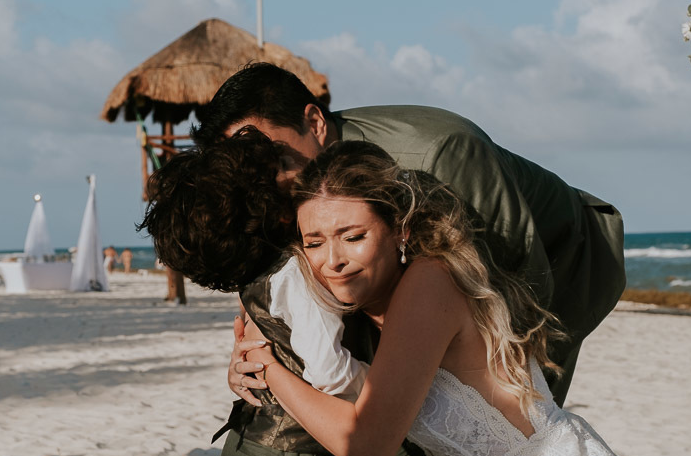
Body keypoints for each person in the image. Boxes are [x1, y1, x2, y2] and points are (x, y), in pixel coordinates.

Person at [247, 140, 674, 456]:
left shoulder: (429, 283)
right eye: (314, 243)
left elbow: (367, 449)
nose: (332, 261)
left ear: (401, 229)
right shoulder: (371, 299)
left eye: (353, 236)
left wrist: (267, 369)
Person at [194, 62, 625, 407]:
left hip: (563, 254)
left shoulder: (440, 153)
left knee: (509, 432)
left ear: (315, 123)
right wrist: (250, 349)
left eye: (276, 157)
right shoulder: (283, 177)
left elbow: (523, 281)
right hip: (435, 279)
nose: (268, 180)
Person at [138, 131, 419, 456]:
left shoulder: (255, 274)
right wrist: (387, 384)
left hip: (245, 446)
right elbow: (329, 372)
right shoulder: (294, 272)